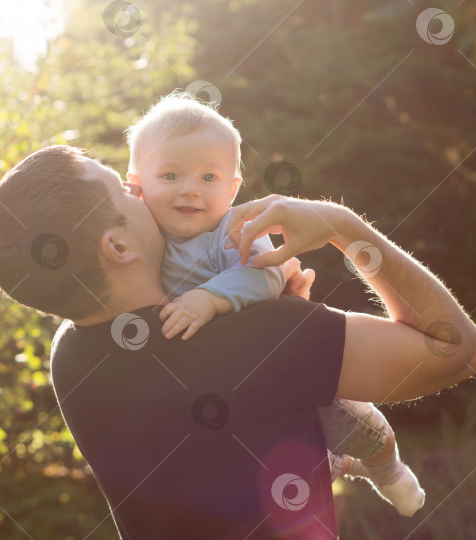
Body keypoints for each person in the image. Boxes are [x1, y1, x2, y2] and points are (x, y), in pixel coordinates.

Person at [0, 145, 476, 539]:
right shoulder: (265, 337)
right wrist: (340, 225)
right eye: (123, 192)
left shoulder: (70, 355)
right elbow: (456, 349)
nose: (141, 191)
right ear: (118, 245)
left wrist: (285, 320)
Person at [124, 93, 424, 516]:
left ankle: (388, 470)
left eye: (209, 178)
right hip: (228, 383)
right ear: (136, 184)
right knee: (289, 453)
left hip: (282, 357)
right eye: (170, 175)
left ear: (232, 189)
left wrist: (208, 298)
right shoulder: (143, 234)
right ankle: (342, 464)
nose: (190, 189)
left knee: (354, 423)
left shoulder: (234, 229)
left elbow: (266, 275)